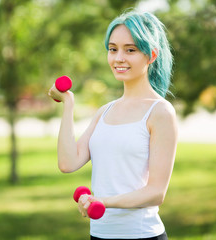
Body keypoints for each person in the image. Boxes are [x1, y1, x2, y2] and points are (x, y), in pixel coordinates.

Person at [48, 10, 177, 240]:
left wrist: (103, 202)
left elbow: (156, 192)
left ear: (151, 55)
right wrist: (68, 103)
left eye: (130, 50)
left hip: (142, 235)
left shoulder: (160, 112)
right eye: (113, 48)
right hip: (99, 234)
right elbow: (67, 163)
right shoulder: (105, 111)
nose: (118, 58)